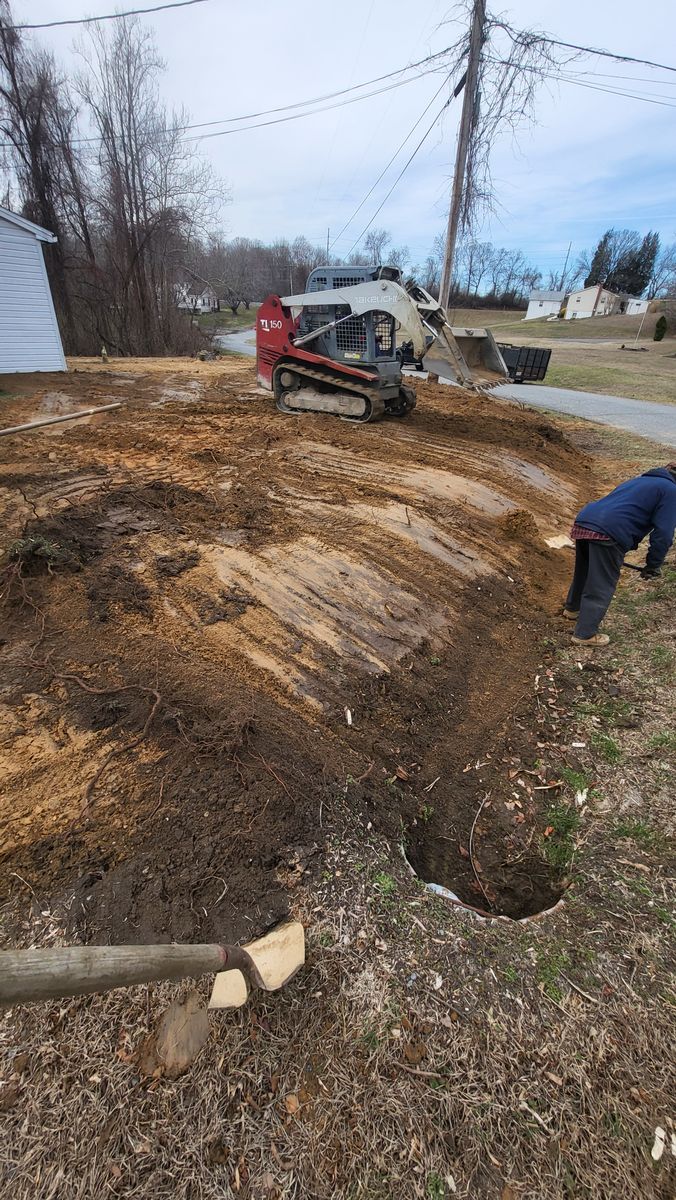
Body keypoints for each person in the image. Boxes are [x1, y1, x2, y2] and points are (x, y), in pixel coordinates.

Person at [563, 463, 676, 646]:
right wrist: (654, 565)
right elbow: (663, 534)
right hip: (610, 531)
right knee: (602, 583)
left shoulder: (641, 481)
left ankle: (572, 609)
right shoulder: (671, 490)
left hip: (586, 520)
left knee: (585, 570)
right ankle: (585, 634)